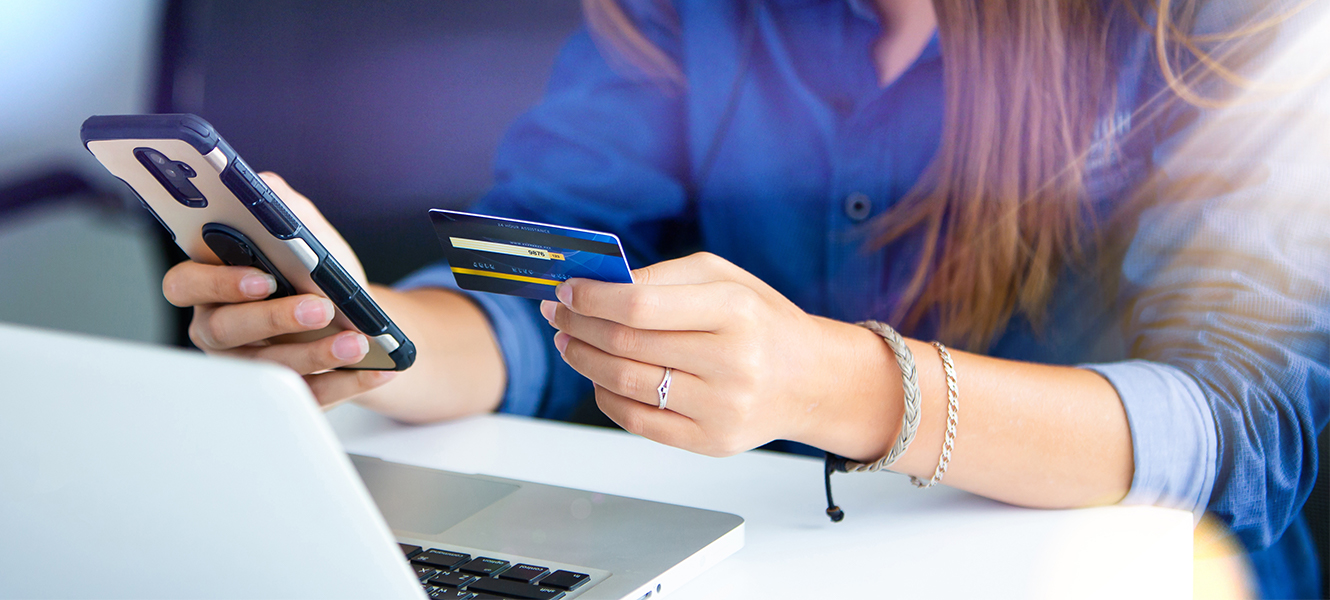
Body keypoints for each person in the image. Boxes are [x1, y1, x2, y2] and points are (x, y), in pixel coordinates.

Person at [160, 0, 1328, 597]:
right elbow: (554, 292)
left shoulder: (1224, 26)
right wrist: (373, 339)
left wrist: (843, 384)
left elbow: (1243, 429)